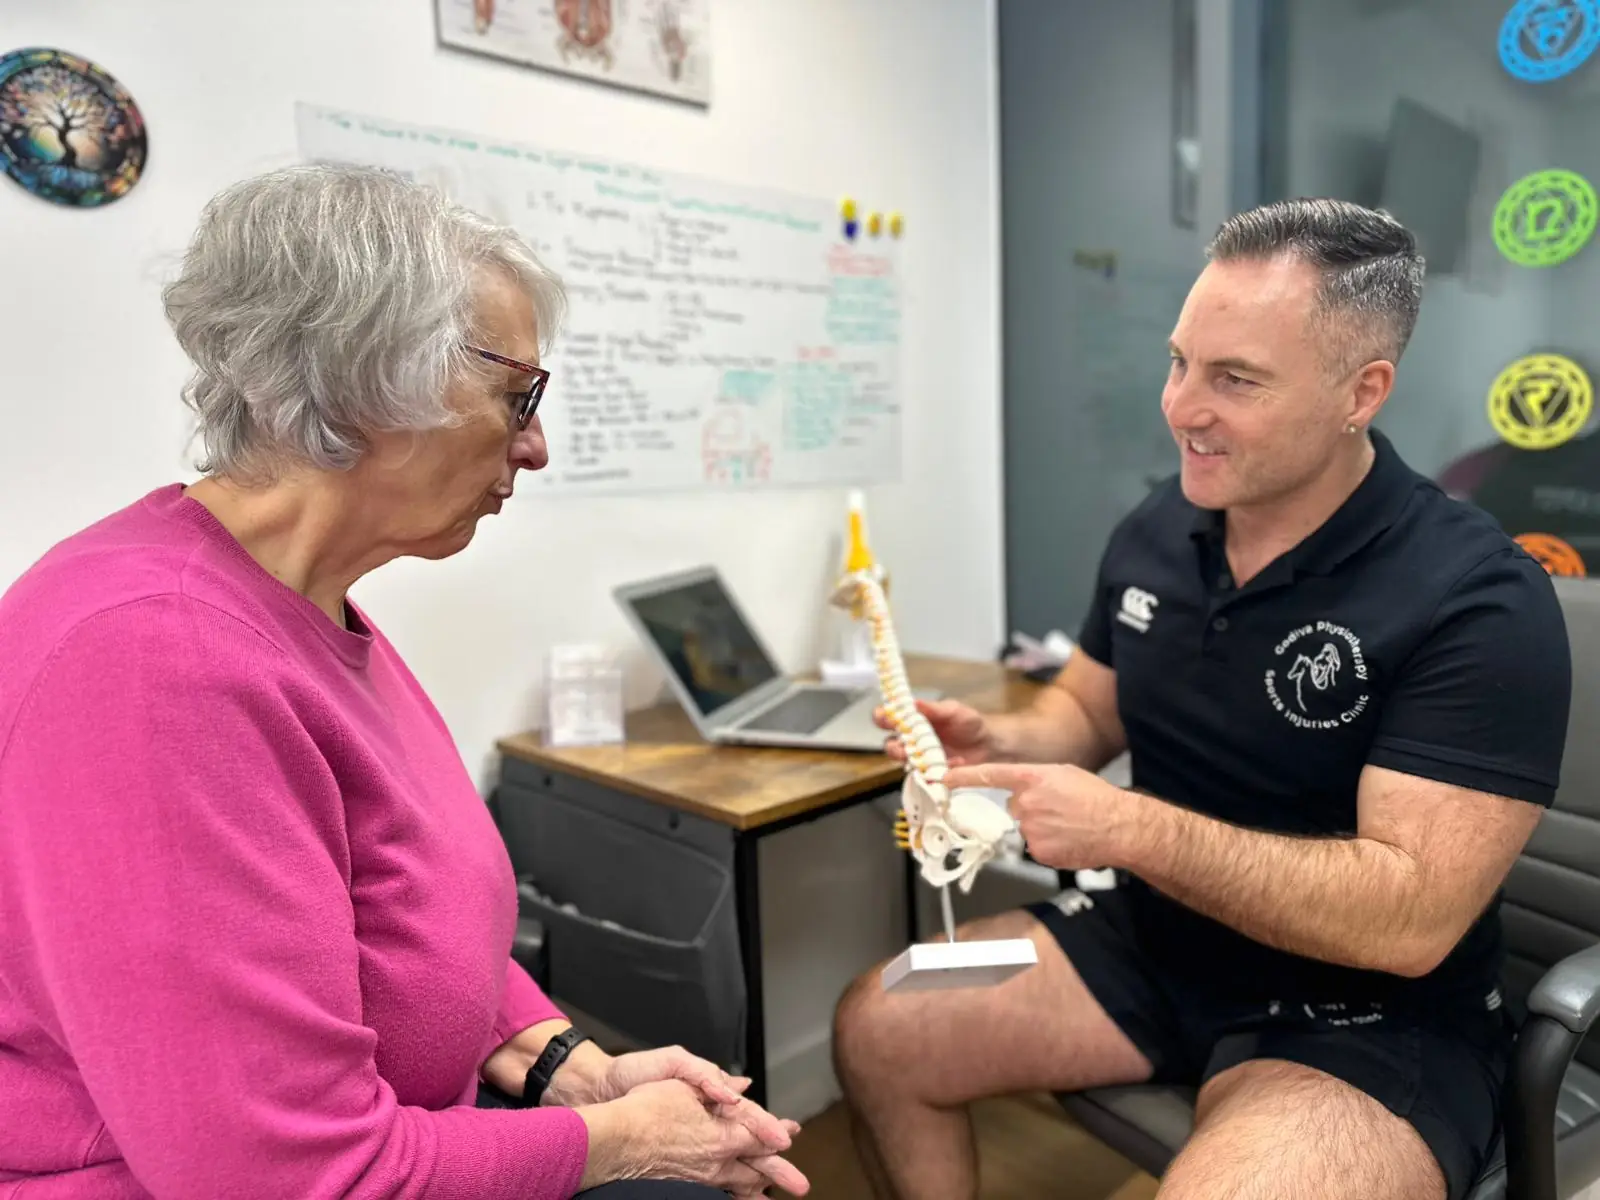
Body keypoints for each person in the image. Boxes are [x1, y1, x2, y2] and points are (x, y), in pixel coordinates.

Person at [0, 163, 809, 1200]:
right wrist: (626, 1139)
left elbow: (400, 924)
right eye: (516, 396)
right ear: (360, 379)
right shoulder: (156, 660)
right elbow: (283, 1178)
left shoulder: (295, 603)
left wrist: (566, 1062)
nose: (536, 445)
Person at [832, 198, 1571, 1200]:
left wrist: (1133, 831)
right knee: (882, 1017)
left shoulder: (1476, 596)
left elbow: (1410, 917)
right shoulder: (1161, 521)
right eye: (1180, 361)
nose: (1181, 407)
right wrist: (994, 739)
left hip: (1362, 1019)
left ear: (1361, 390)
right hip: (1150, 945)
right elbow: (1089, 716)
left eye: (1234, 379)